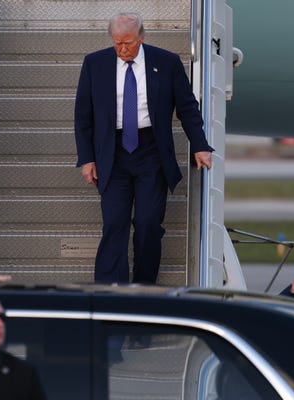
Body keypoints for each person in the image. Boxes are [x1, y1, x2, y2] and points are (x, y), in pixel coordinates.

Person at [74, 12, 213, 284]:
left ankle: (143, 285)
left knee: (149, 223)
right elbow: (83, 115)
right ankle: (110, 289)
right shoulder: (95, 63)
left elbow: (186, 107)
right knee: (115, 223)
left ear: (142, 37)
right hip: (111, 153)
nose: (123, 49)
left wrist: (200, 145)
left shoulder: (167, 62)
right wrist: (87, 159)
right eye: (117, 43)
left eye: (129, 43)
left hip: (150, 151)